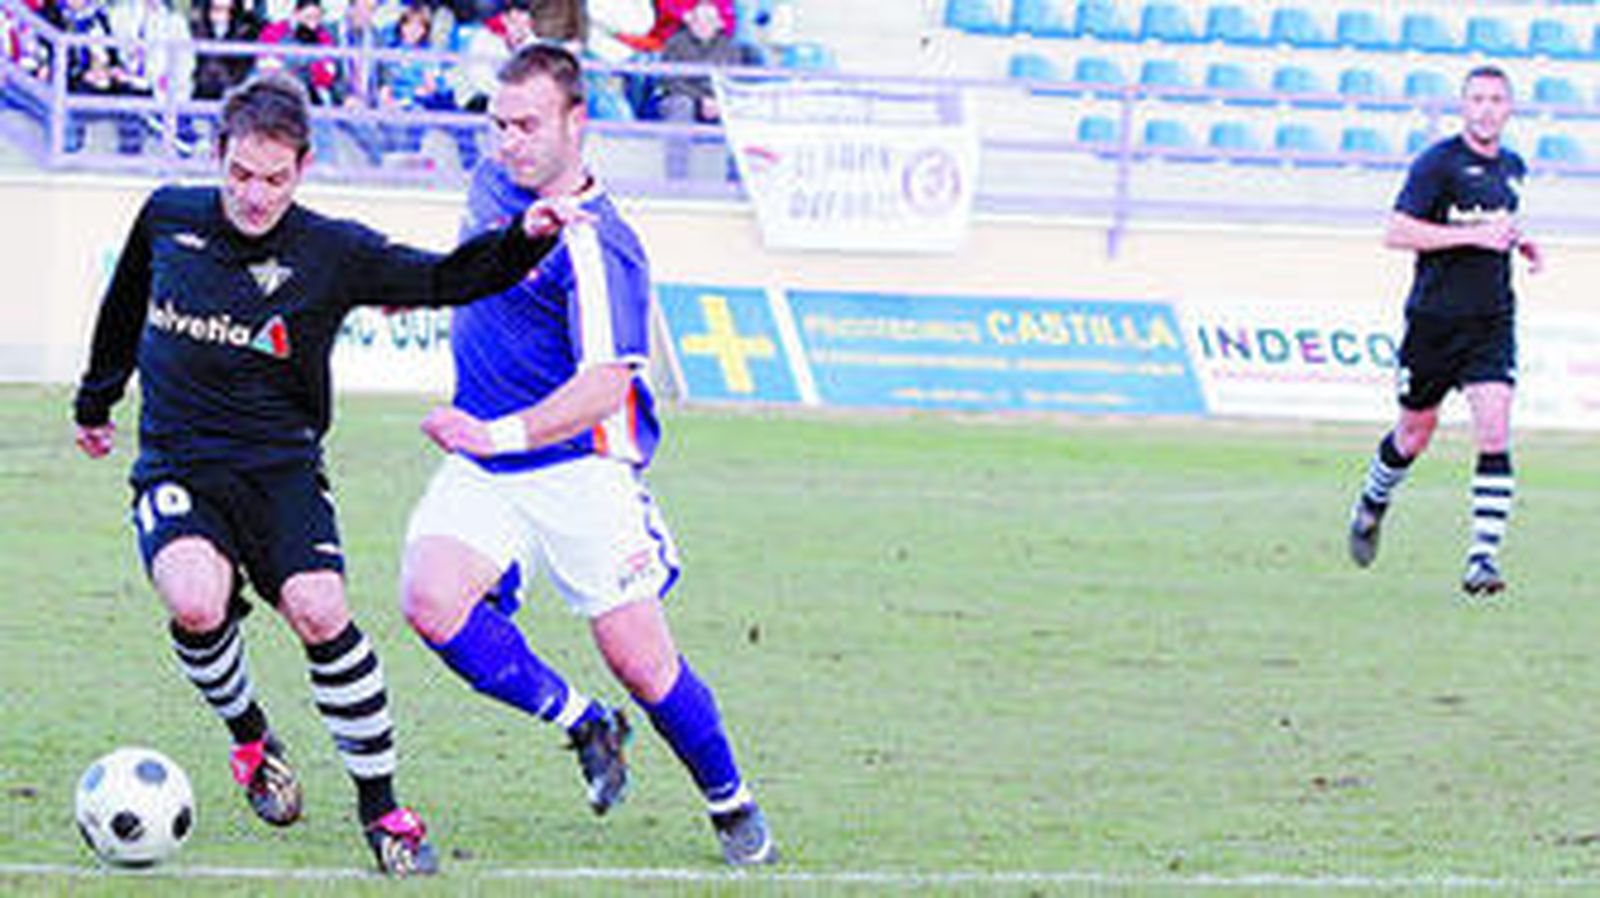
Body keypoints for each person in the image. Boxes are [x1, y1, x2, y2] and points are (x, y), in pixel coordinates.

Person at [71, 72, 576, 876]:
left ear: (301, 168)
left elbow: (442, 278)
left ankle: (384, 812)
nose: (255, 196)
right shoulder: (169, 216)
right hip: (178, 463)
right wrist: (96, 400)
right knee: (197, 602)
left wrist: (526, 237)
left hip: (281, 472)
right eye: (240, 174)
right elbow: (124, 301)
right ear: (218, 158)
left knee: (319, 610)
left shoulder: (330, 250)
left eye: (274, 178)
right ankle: (251, 741)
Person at [397, 42, 778, 866]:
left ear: (579, 121)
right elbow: (473, 267)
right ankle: (583, 721)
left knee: (641, 662)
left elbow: (605, 386)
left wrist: (493, 434)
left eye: (528, 124)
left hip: (579, 470)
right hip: (484, 466)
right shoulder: (496, 181)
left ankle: (732, 804)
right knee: (430, 600)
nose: (509, 141)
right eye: (499, 124)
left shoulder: (603, 243)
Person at [1347, 65, 1543, 596]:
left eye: (1496, 99)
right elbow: (1396, 231)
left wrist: (1517, 242)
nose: (1486, 108)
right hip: (1434, 324)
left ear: (1509, 108)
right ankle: (1372, 501)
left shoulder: (1513, 166)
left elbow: (1494, 224)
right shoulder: (1436, 165)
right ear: (1464, 106)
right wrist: (1477, 237)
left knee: (1495, 429)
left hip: (1491, 321)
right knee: (1414, 433)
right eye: (1476, 98)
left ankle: (1483, 559)